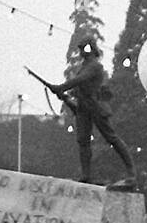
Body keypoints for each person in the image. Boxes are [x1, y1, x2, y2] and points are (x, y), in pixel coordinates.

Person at [48, 38, 136, 187]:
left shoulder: (95, 66)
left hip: (96, 105)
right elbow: (78, 89)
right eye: (82, 49)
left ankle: (131, 172)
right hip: (83, 108)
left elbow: (81, 79)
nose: (83, 52)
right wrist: (64, 96)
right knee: (83, 141)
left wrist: (61, 87)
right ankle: (86, 175)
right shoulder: (84, 67)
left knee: (111, 138)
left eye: (86, 49)